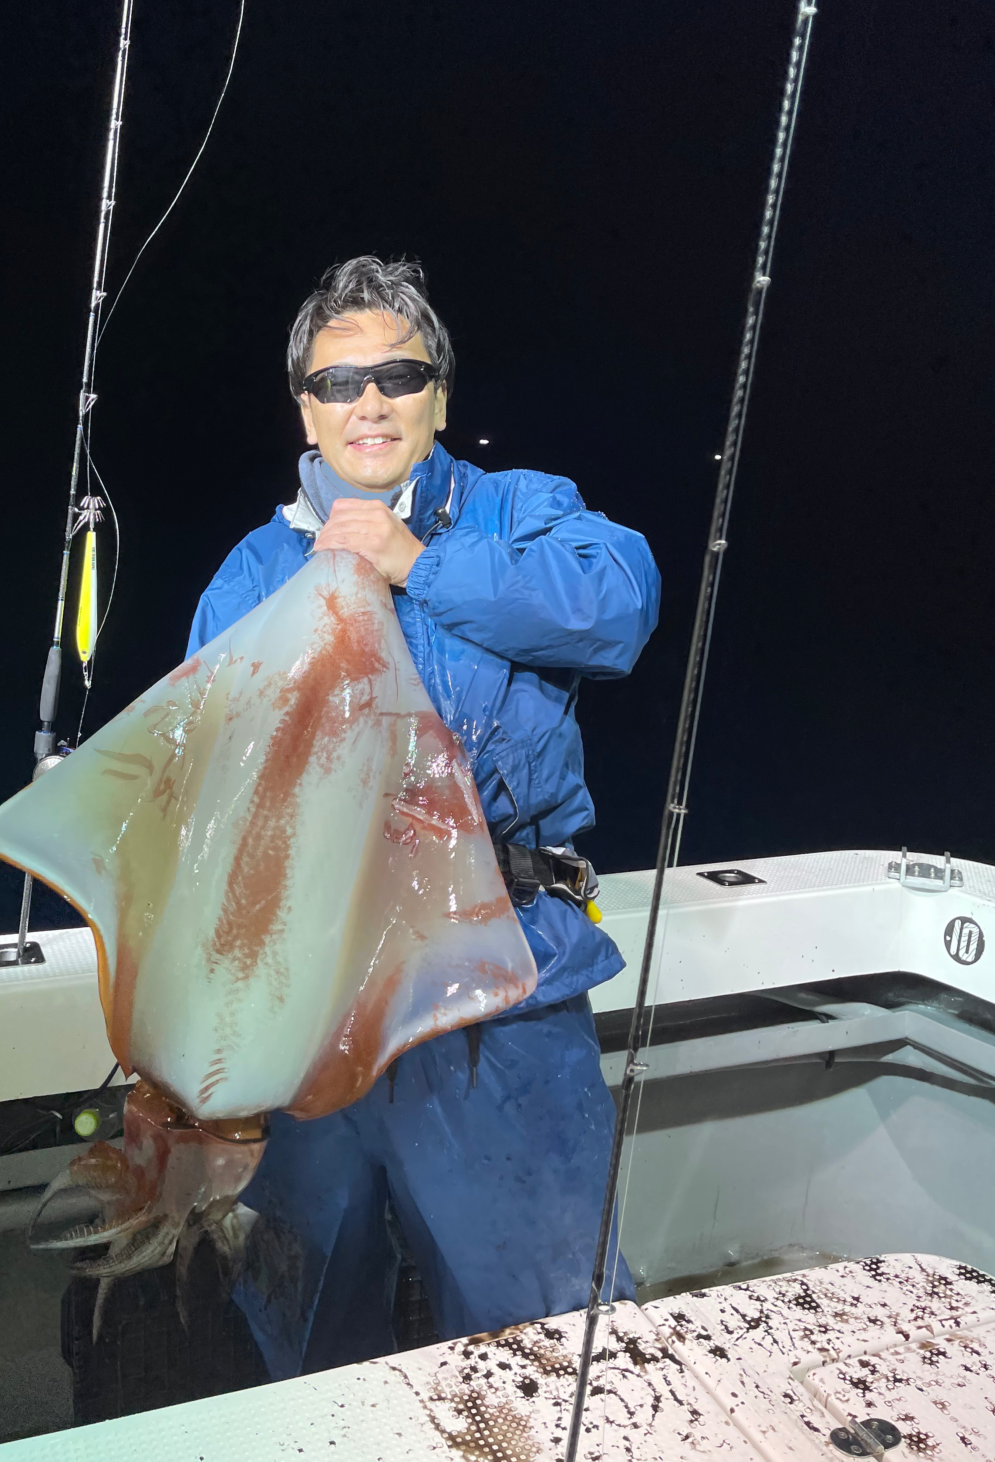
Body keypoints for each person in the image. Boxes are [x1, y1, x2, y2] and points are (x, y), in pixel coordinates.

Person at [186, 256, 660, 1381]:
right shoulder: (251, 575)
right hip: (312, 1014)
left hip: (500, 986)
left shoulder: (518, 512)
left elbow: (619, 607)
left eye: (399, 374)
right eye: (337, 381)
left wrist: (417, 561)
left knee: (546, 1333)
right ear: (301, 403)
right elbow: (202, 821)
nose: (370, 402)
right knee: (302, 1324)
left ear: (439, 395)